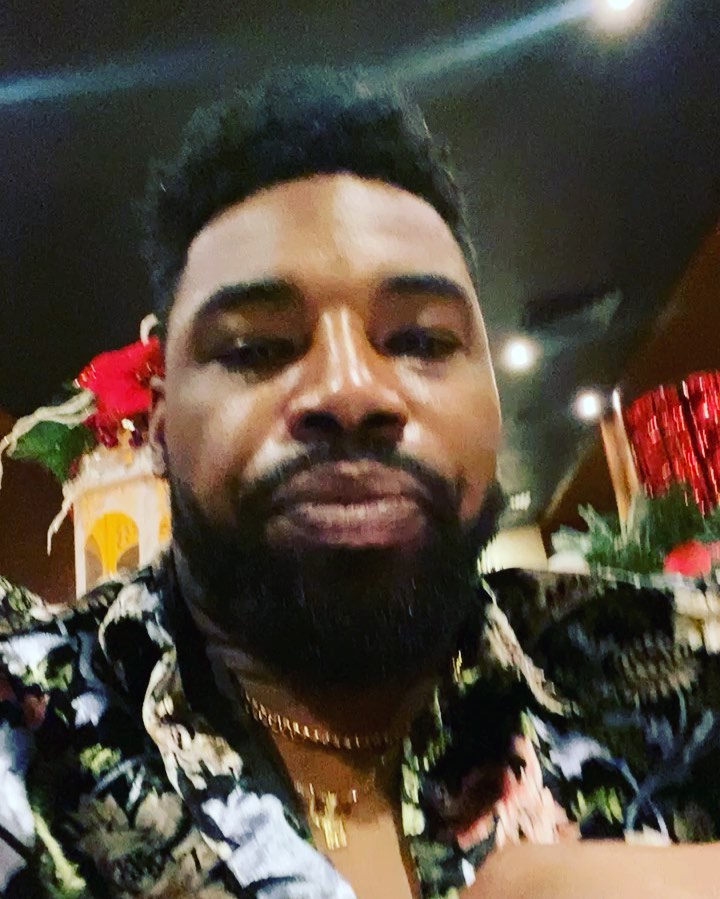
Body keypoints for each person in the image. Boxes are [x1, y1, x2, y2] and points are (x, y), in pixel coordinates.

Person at [1, 68, 719, 899]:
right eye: (256, 348)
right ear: (158, 424)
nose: (349, 390)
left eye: (419, 340)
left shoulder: (677, 657)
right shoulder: (29, 726)